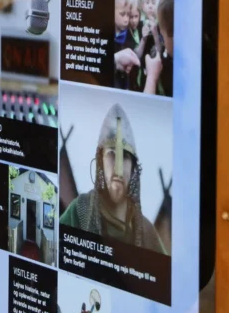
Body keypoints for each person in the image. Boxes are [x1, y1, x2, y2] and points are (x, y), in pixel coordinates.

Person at [59, 104, 166, 253]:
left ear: (133, 168)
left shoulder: (147, 233)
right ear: (100, 161)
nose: (119, 168)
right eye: (112, 154)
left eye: (126, 156)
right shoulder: (80, 211)